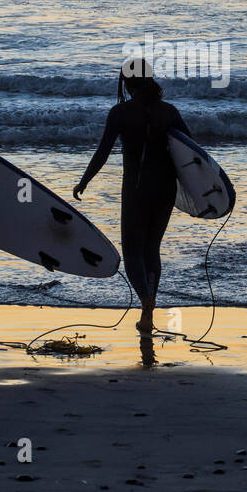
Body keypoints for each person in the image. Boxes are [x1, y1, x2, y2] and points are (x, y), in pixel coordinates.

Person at [74, 58, 190, 334]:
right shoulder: (169, 112)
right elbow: (190, 153)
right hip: (165, 188)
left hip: (136, 188)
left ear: (127, 83)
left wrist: (84, 181)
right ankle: (149, 306)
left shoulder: (120, 113)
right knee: (152, 248)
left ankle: (146, 302)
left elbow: (103, 152)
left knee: (132, 251)